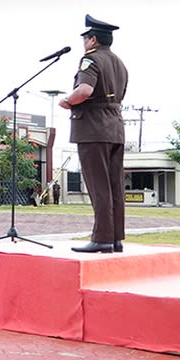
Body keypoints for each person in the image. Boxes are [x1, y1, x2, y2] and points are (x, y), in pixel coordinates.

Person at [59, 15, 128, 253]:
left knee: (98, 185)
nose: (84, 44)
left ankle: (102, 238)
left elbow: (85, 90)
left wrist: (68, 100)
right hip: (115, 127)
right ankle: (115, 238)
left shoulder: (91, 60)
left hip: (92, 128)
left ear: (93, 40)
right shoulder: (119, 63)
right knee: (114, 185)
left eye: (85, 39)